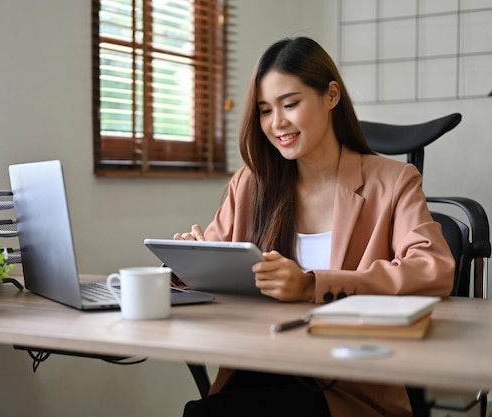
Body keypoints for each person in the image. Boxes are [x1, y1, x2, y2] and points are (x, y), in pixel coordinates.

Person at [173, 37, 455, 417]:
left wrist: (311, 285)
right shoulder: (251, 183)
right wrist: (187, 263)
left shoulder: (394, 180)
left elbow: (434, 269)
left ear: (331, 95)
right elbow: (218, 262)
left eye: (290, 104)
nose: (278, 123)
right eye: (265, 110)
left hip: (345, 382)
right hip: (259, 364)